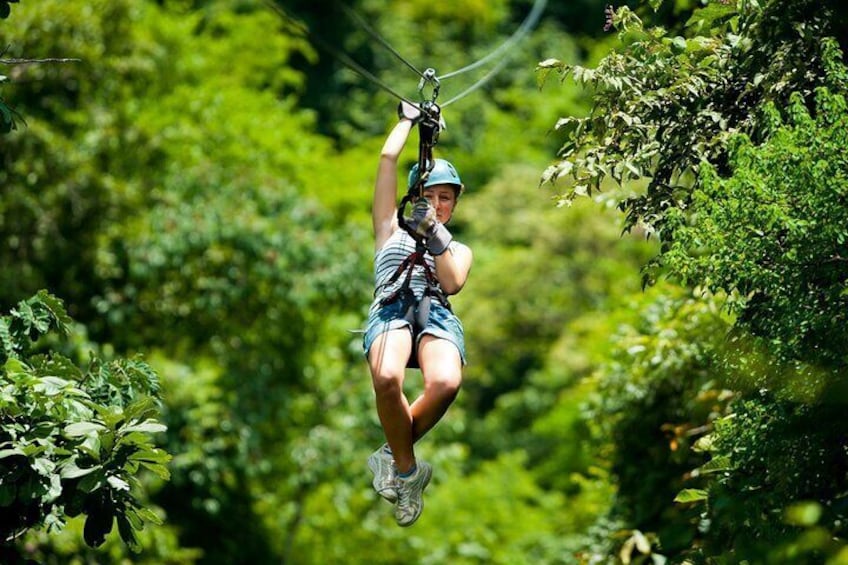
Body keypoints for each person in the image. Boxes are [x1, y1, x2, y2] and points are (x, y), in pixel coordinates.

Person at [363, 101, 473, 527]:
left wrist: (435, 233)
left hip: (435, 315)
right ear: (414, 197)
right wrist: (408, 121)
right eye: (428, 196)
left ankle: (392, 453)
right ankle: (408, 471)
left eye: (445, 198)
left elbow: (452, 282)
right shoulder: (388, 228)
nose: (437, 203)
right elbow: (388, 158)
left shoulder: (458, 247)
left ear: (453, 206)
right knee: (388, 378)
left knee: (446, 381)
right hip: (392, 308)